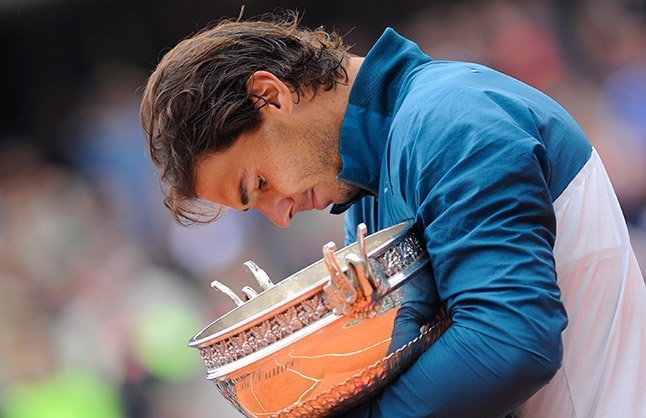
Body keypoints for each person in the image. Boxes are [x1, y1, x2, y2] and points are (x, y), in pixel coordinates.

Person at [140, 12, 646, 418]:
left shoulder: (451, 120)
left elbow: (510, 341)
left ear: (271, 95)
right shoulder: (365, 185)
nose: (281, 216)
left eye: (260, 184)